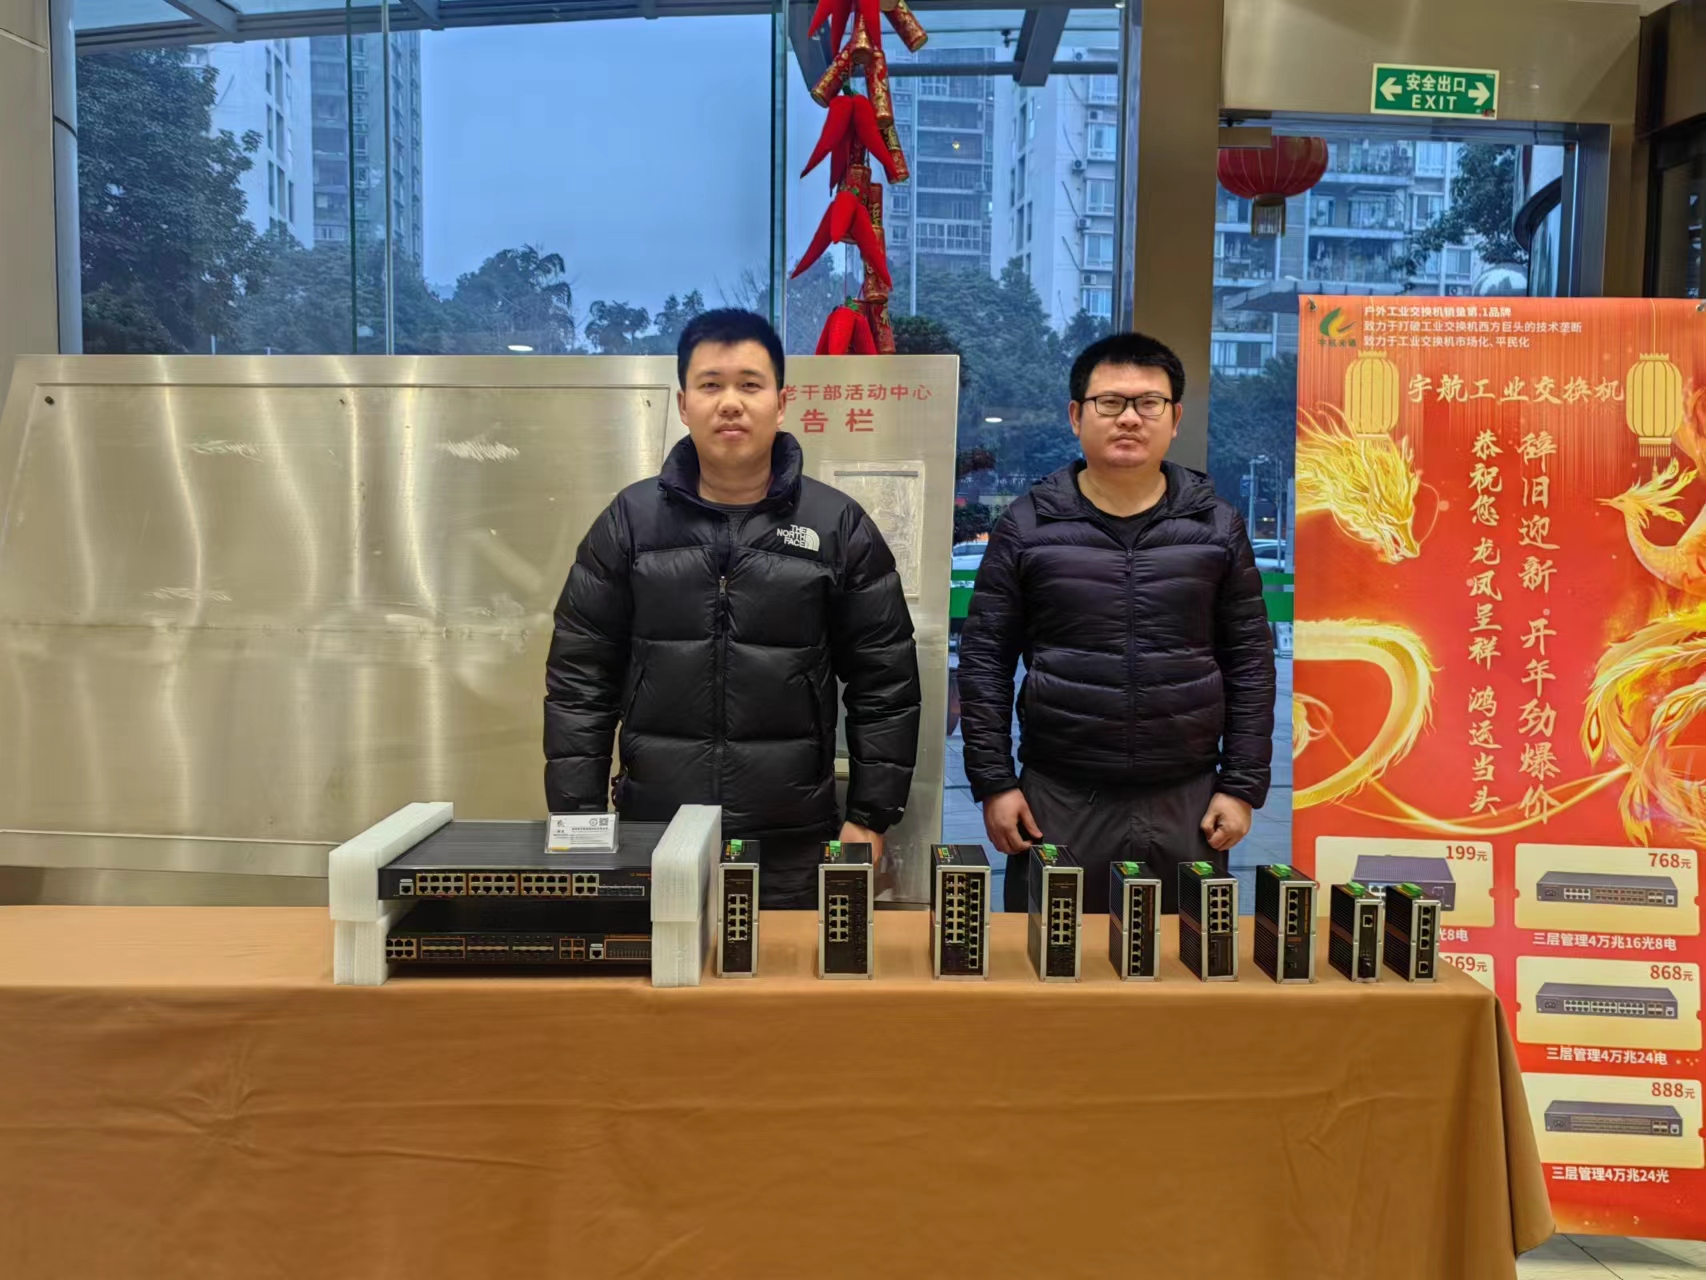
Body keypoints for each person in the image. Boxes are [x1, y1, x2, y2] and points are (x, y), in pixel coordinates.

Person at [544, 309, 921, 908]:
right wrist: (577, 817)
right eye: (710, 385)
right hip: (653, 834)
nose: (730, 403)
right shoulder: (630, 523)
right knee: (652, 969)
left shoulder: (837, 526)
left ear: (782, 402)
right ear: (683, 403)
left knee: (783, 971)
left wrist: (871, 816)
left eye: (750, 384)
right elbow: (580, 679)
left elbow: (886, 682)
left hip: (793, 842)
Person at [956, 331, 1275, 915]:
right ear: (1076, 416)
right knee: (1051, 961)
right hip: (1058, 799)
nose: (1129, 417)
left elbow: (1250, 664)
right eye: (1110, 402)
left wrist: (1241, 786)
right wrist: (995, 783)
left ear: (1175, 418)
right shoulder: (1027, 526)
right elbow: (984, 665)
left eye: (1149, 402)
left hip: (1187, 799)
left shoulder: (1218, 527)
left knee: (1182, 959)